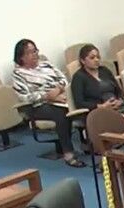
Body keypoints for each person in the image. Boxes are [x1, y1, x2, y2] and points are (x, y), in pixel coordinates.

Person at [11, 39, 84, 167]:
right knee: (61, 113)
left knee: (81, 102)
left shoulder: (46, 65)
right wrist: (47, 97)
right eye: (30, 52)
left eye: (35, 50)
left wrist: (58, 90)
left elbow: (63, 79)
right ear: (21, 57)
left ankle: (86, 141)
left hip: (60, 97)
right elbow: (24, 97)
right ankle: (68, 153)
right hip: (37, 106)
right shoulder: (18, 74)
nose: (35, 54)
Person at [71, 44, 124, 129]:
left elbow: (118, 90)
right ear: (83, 60)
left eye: (98, 57)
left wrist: (120, 100)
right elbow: (79, 103)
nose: (96, 60)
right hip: (98, 112)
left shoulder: (104, 70)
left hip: (117, 107)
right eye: (92, 58)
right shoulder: (78, 77)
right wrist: (101, 106)